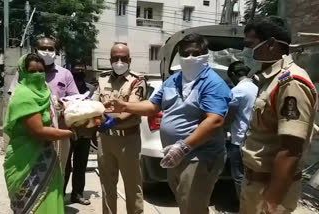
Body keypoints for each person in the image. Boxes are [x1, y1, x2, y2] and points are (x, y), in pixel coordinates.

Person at [105, 34, 232, 214]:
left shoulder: (212, 83)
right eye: (185, 54)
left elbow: (215, 120)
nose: (190, 58)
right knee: (186, 203)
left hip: (199, 157)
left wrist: (183, 146)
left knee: (192, 206)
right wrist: (125, 105)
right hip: (174, 155)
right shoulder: (174, 80)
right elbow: (152, 106)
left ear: (205, 55)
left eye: (196, 53)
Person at [241, 17, 318, 214]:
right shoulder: (270, 79)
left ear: (272, 44)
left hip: (268, 190)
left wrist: (272, 200)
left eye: (251, 45)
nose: (247, 51)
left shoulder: (290, 82)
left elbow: (291, 149)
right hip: (255, 184)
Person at [3, 54, 73, 214]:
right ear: (23, 72)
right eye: (32, 71)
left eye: (40, 71)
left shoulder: (46, 93)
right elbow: (38, 131)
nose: (37, 75)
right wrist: (69, 133)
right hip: (26, 163)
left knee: (49, 202)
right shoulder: (23, 96)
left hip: (46, 157)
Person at [8, 35, 79, 174]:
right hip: (31, 134)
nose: (46, 51)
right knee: (31, 174)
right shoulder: (23, 73)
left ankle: (59, 195)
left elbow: (74, 100)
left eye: (50, 48)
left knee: (58, 174)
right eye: (42, 48)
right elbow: (15, 99)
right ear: (36, 50)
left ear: (56, 51)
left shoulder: (65, 74)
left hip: (59, 132)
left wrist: (59, 105)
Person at [92, 43, 146, 214]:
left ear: (129, 60)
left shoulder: (137, 80)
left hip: (128, 140)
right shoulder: (102, 79)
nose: (119, 62)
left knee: (132, 186)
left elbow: (132, 106)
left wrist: (113, 119)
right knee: (107, 185)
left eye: (123, 58)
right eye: (116, 58)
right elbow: (94, 105)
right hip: (106, 139)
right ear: (110, 60)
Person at [226, 61, 258, 199]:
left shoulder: (237, 91)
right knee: (254, 177)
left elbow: (229, 116)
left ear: (233, 75)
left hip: (239, 140)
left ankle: (243, 207)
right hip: (255, 139)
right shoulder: (257, 88)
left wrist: (222, 128)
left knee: (239, 176)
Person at [64, 68, 95, 205]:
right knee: (65, 165)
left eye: (80, 76)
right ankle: (61, 192)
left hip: (85, 132)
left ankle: (77, 194)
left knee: (80, 165)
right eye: (75, 76)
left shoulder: (91, 90)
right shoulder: (66, 88)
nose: (78, 80)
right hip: (67, 132)